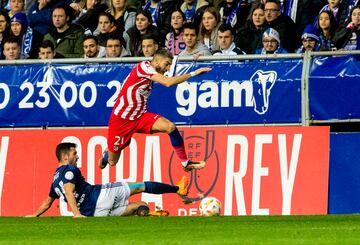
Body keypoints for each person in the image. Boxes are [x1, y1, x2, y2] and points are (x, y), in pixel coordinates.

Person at [98, 49, 211, 171]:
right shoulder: (143, 67)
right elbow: (168, 82)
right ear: (157, 61)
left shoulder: (153, 71)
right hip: (121, 120)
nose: (167, 68)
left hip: (140, 116)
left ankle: (185, 163)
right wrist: (193, 74)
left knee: (170, 127)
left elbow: (170, 74)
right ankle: (106, 155)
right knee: (112, 161)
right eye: (166, 64)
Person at [27, 142, 189, 217]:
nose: (77, 156)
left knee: (140, 206)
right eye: (74, 154)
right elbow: (69, 192)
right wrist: (76, 214)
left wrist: (34, 216)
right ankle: (177, 189)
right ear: (65, 156)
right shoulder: (70, 170)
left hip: (95, 213)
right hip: (101, 195)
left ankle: (149, 214)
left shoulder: (54, 180)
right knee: (140, 186)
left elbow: (47, 203)